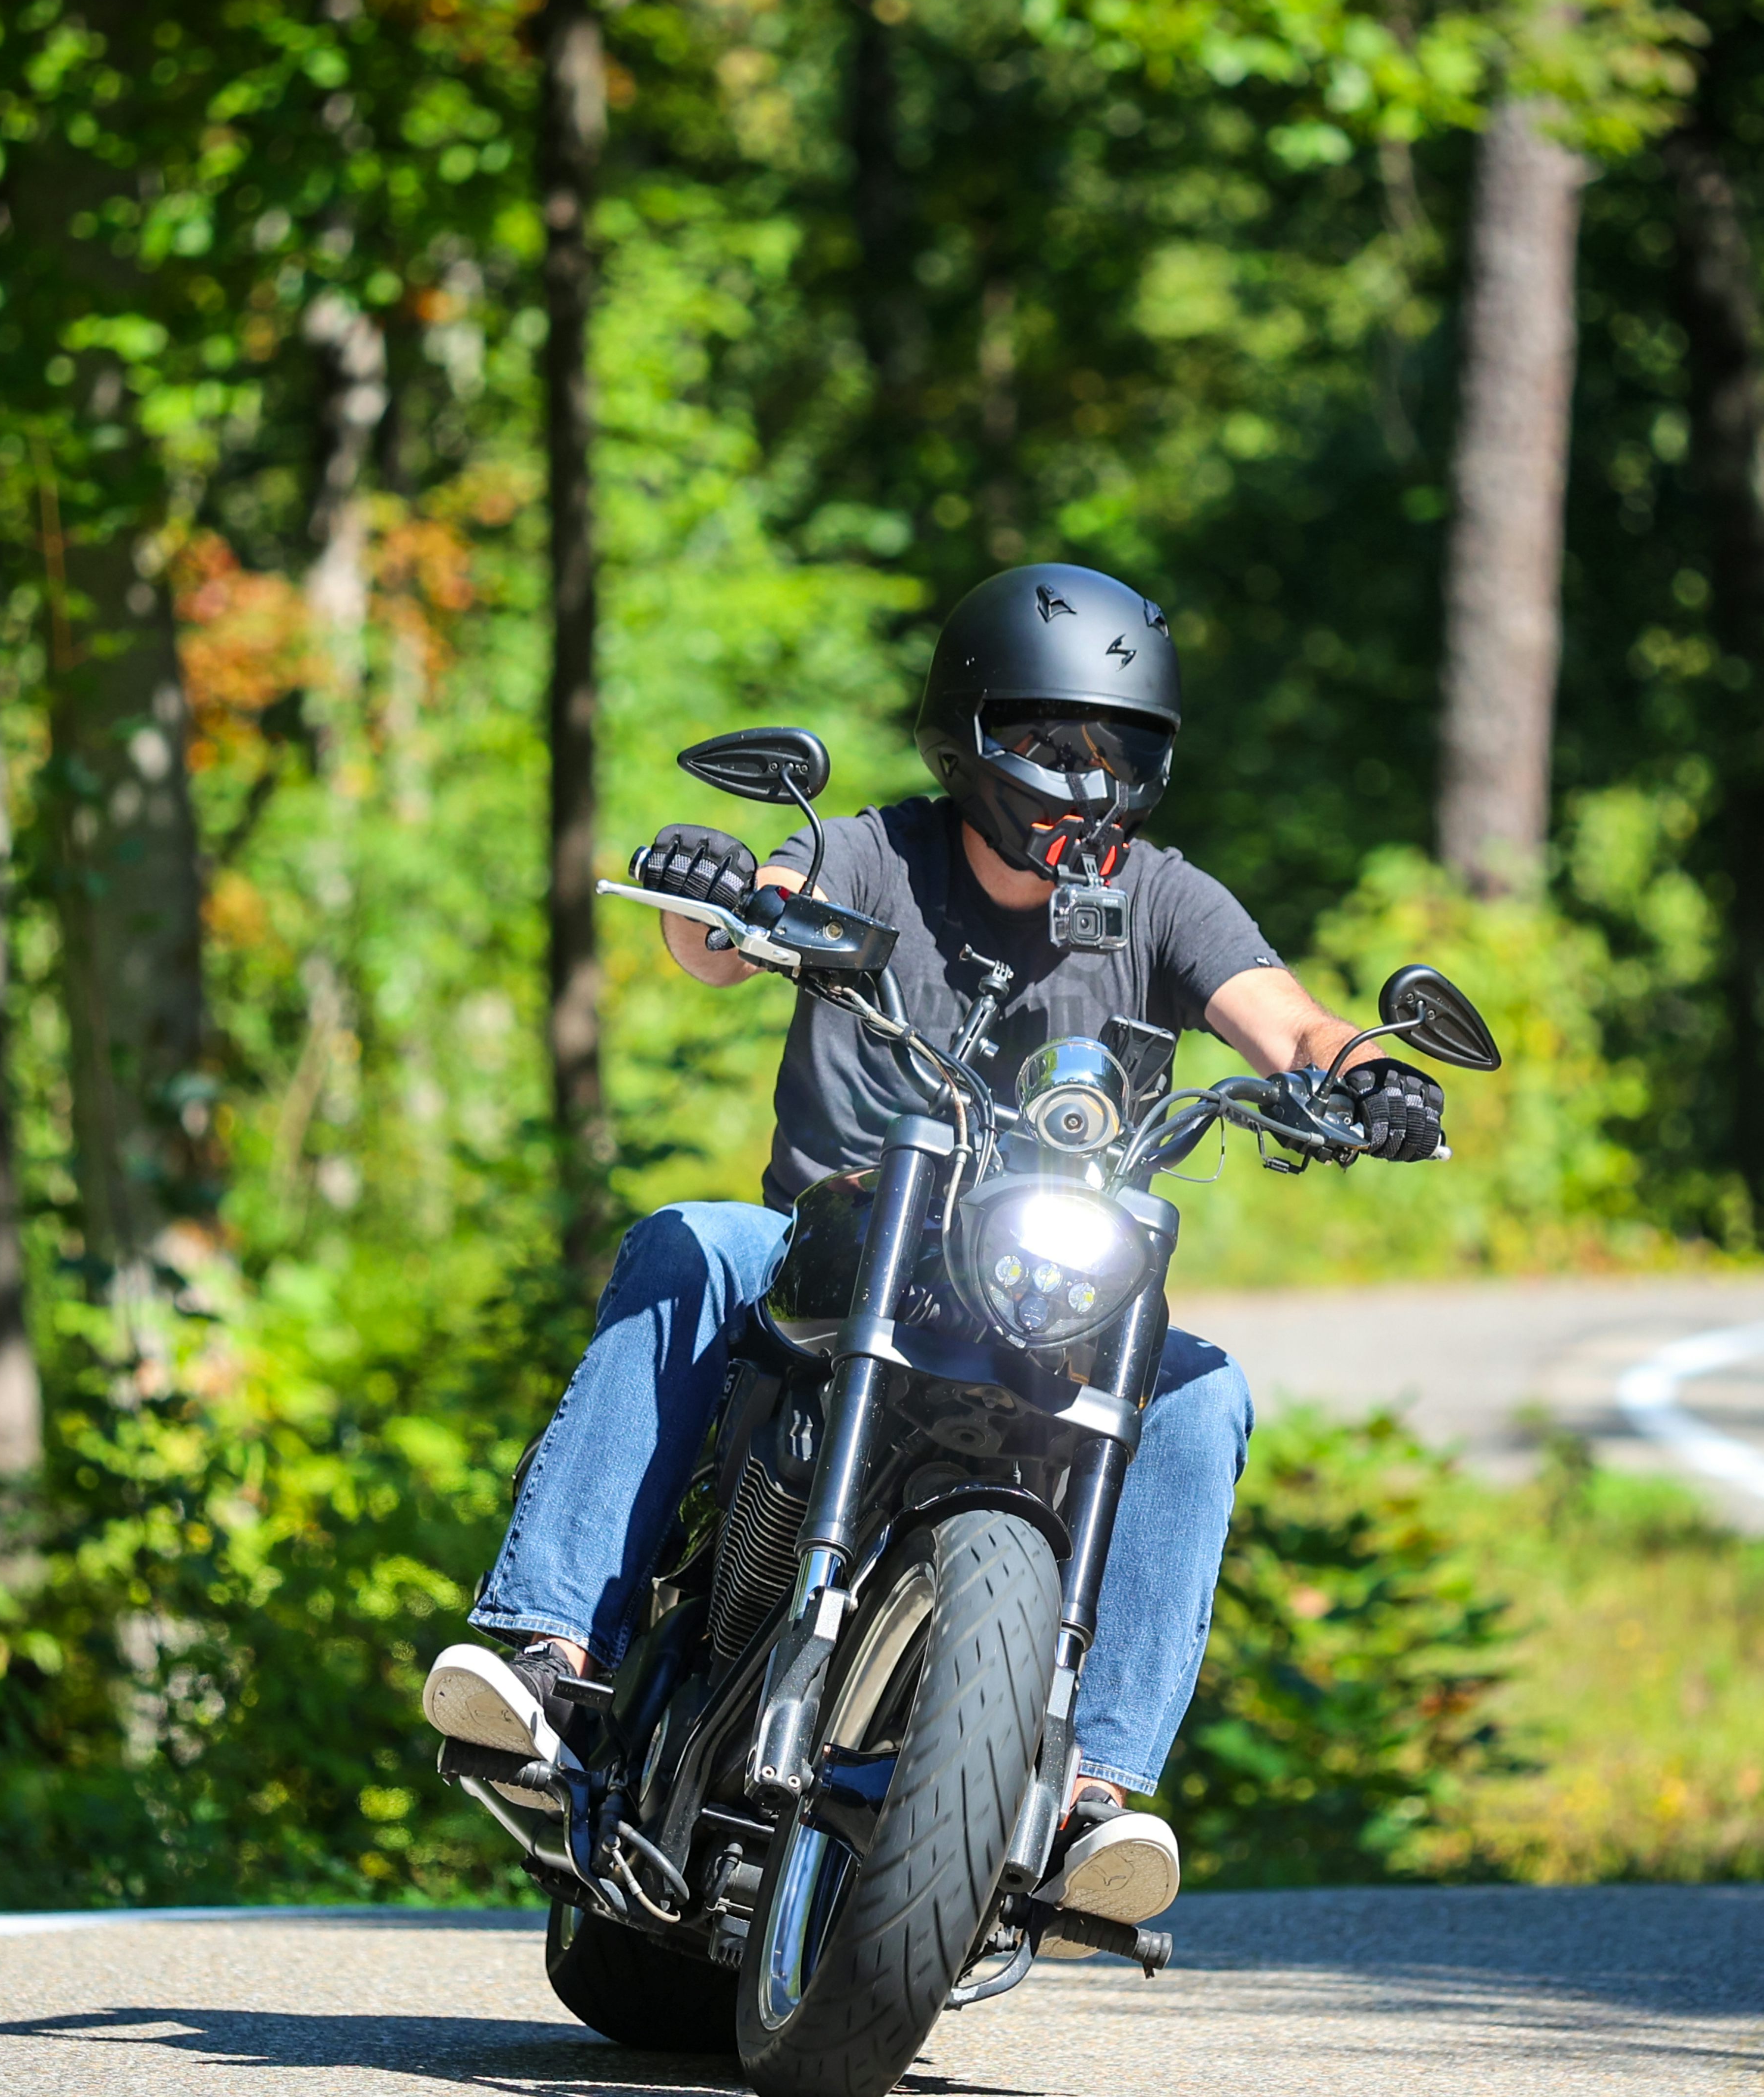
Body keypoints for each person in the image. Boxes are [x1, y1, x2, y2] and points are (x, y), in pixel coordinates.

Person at [422, 562, 1445, 1934]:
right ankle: (551, 1651)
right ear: (968, 736)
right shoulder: (876, 856)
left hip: (1049, 1300)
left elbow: (1295, 1022)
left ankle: (1092, 1795)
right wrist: (713, 886)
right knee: (693, 1241)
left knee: (1204, 1396)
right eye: (1050, 742)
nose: (1085, 781)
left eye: (1118, 750)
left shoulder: (1166, 900)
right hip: (838, 1251)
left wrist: (1369, 1075)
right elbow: (739, 924)